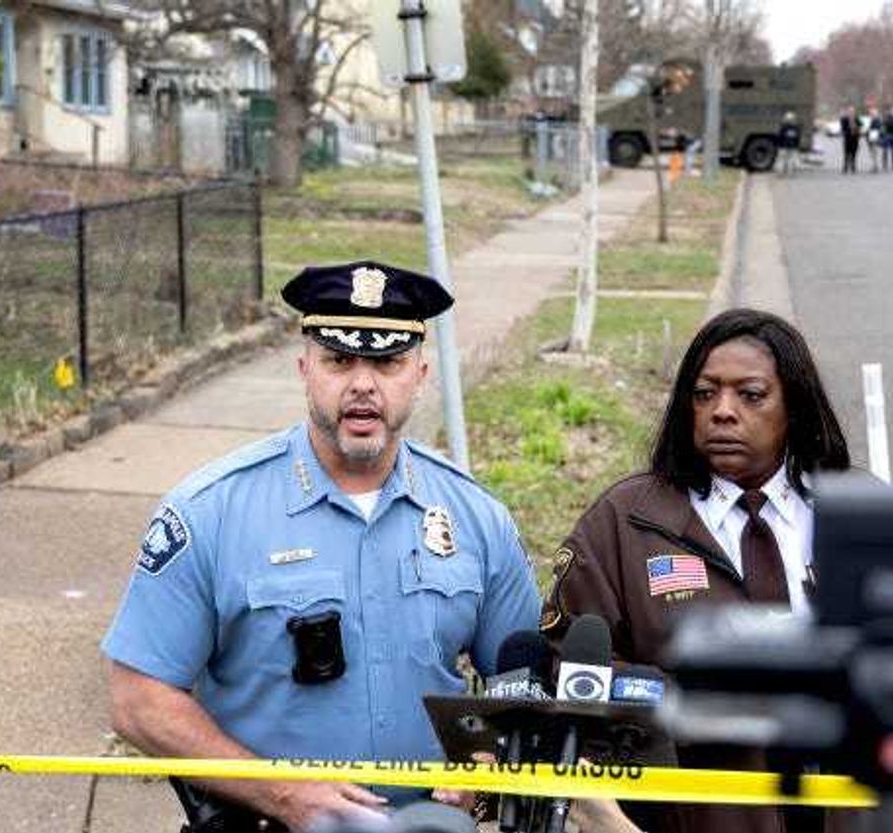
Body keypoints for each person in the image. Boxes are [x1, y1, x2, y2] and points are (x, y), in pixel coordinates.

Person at [102, 260, 541, 833]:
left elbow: (525, 681)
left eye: (387, 362)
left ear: (420, 374)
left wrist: (487, 763)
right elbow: (138, 698)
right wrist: (283, 794)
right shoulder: (211, 511)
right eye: (339, 361)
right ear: (305, 369)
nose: (363, 384)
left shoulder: (476, 517)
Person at [542, 308, 852, 833]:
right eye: (705, 394)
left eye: (750, 395)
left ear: (794, 406)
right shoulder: (624, 521)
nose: (722, 412)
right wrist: (689, 702)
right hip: (691, 815)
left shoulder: (856, 511)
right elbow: (571, 668)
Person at [778, 111, 801, 176]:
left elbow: (780, 137)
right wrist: (796, 146)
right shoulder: (796, 128)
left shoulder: (783, 128)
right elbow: (797, 138)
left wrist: (779, 145)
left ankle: (781, 172)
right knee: (790, 160)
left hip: (783, 146)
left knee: (782, 159)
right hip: (792, 146)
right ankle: (789, 172)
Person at [840, 107, 860, 174]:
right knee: (846, 154)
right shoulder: (844, 119)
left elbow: (861, 124)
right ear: (848, 112)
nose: (851, 113)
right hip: (847, 139)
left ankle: (853, 167)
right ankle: (845, 167)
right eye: (850, 111)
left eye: (852, 112)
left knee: (854, 154)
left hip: (855, 139)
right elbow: (843, 128)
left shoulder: (856, 118)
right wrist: (849, 128)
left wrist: (856, 127)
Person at [865, 109, 881, 173]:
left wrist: (868, 129)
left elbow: (875, 129)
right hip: (871, 138)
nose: (871, 115)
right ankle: (874, 166)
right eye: (870, 114)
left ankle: (875, 166)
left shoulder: (876, 120)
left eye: (872, 114)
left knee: (874, 153)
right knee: (872, 153)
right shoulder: (872, 120)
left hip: (873, 138)